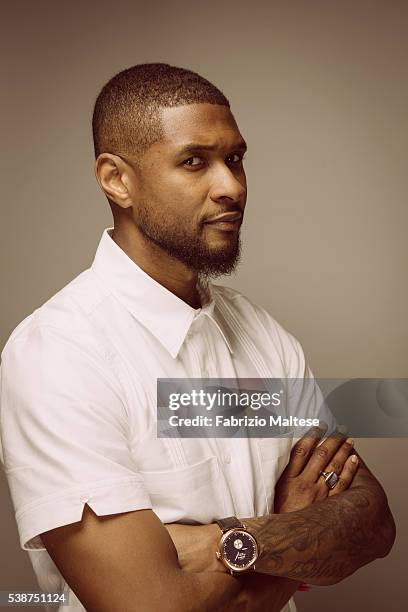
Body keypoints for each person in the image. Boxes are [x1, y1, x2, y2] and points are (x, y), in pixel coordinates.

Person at [0, 63, 395, 612]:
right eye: (194, 162)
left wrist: (220, 543)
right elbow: (151, 608)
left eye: (235, 159)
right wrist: (289, 531)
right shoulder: (60, 354)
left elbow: (372, 522)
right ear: (117, 179)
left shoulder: (265, 337)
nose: (232, 187)